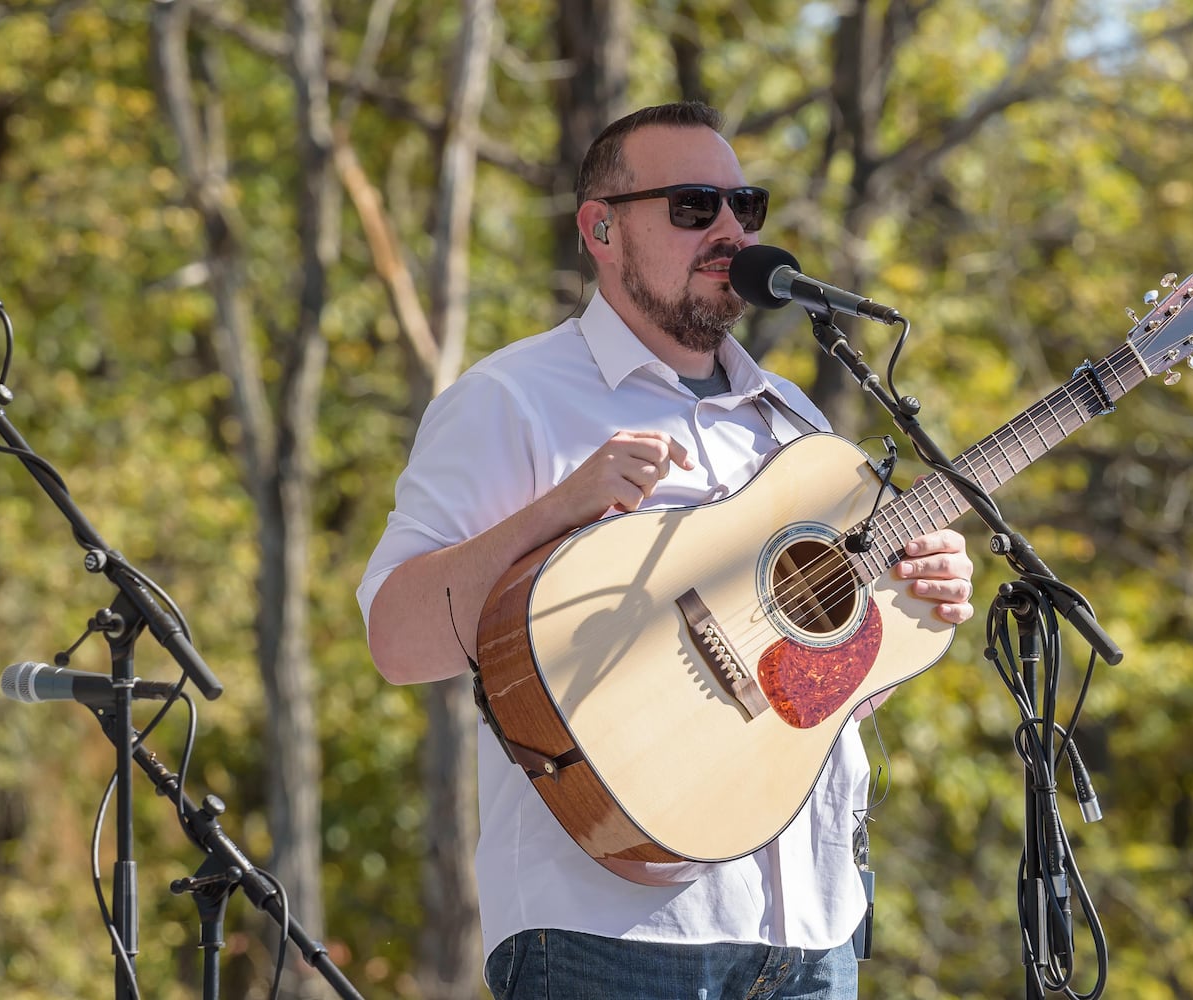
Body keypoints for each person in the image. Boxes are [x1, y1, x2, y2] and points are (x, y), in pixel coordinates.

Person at [358, 101, 976, 1000]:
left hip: (813, 937)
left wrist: (915, 596)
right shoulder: (513, 400)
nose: (729, 231)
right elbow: (395, 638)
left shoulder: (794, 419)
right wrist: (558, 511)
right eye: (693, 207)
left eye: (745, 206)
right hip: (606, 935)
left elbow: (821, 680)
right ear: (601, 230)